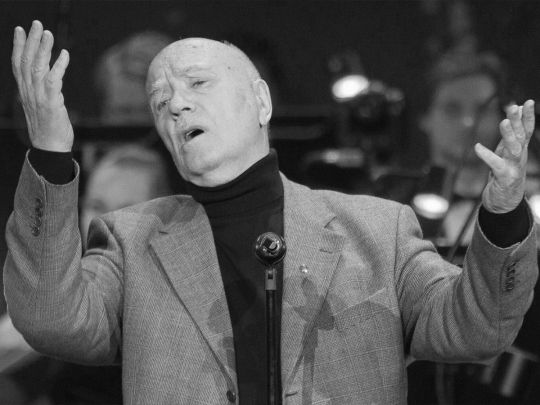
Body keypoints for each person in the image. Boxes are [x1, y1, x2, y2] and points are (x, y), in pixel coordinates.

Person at [4, 20, 538, 404]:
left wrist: (503, 215)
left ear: (262, 101)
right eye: (160, 101)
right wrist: (50, 153)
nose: (176, 104)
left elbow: (477, 329)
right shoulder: (131, 241)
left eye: (197, 83)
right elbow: (52, 321)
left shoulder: (380, 230)